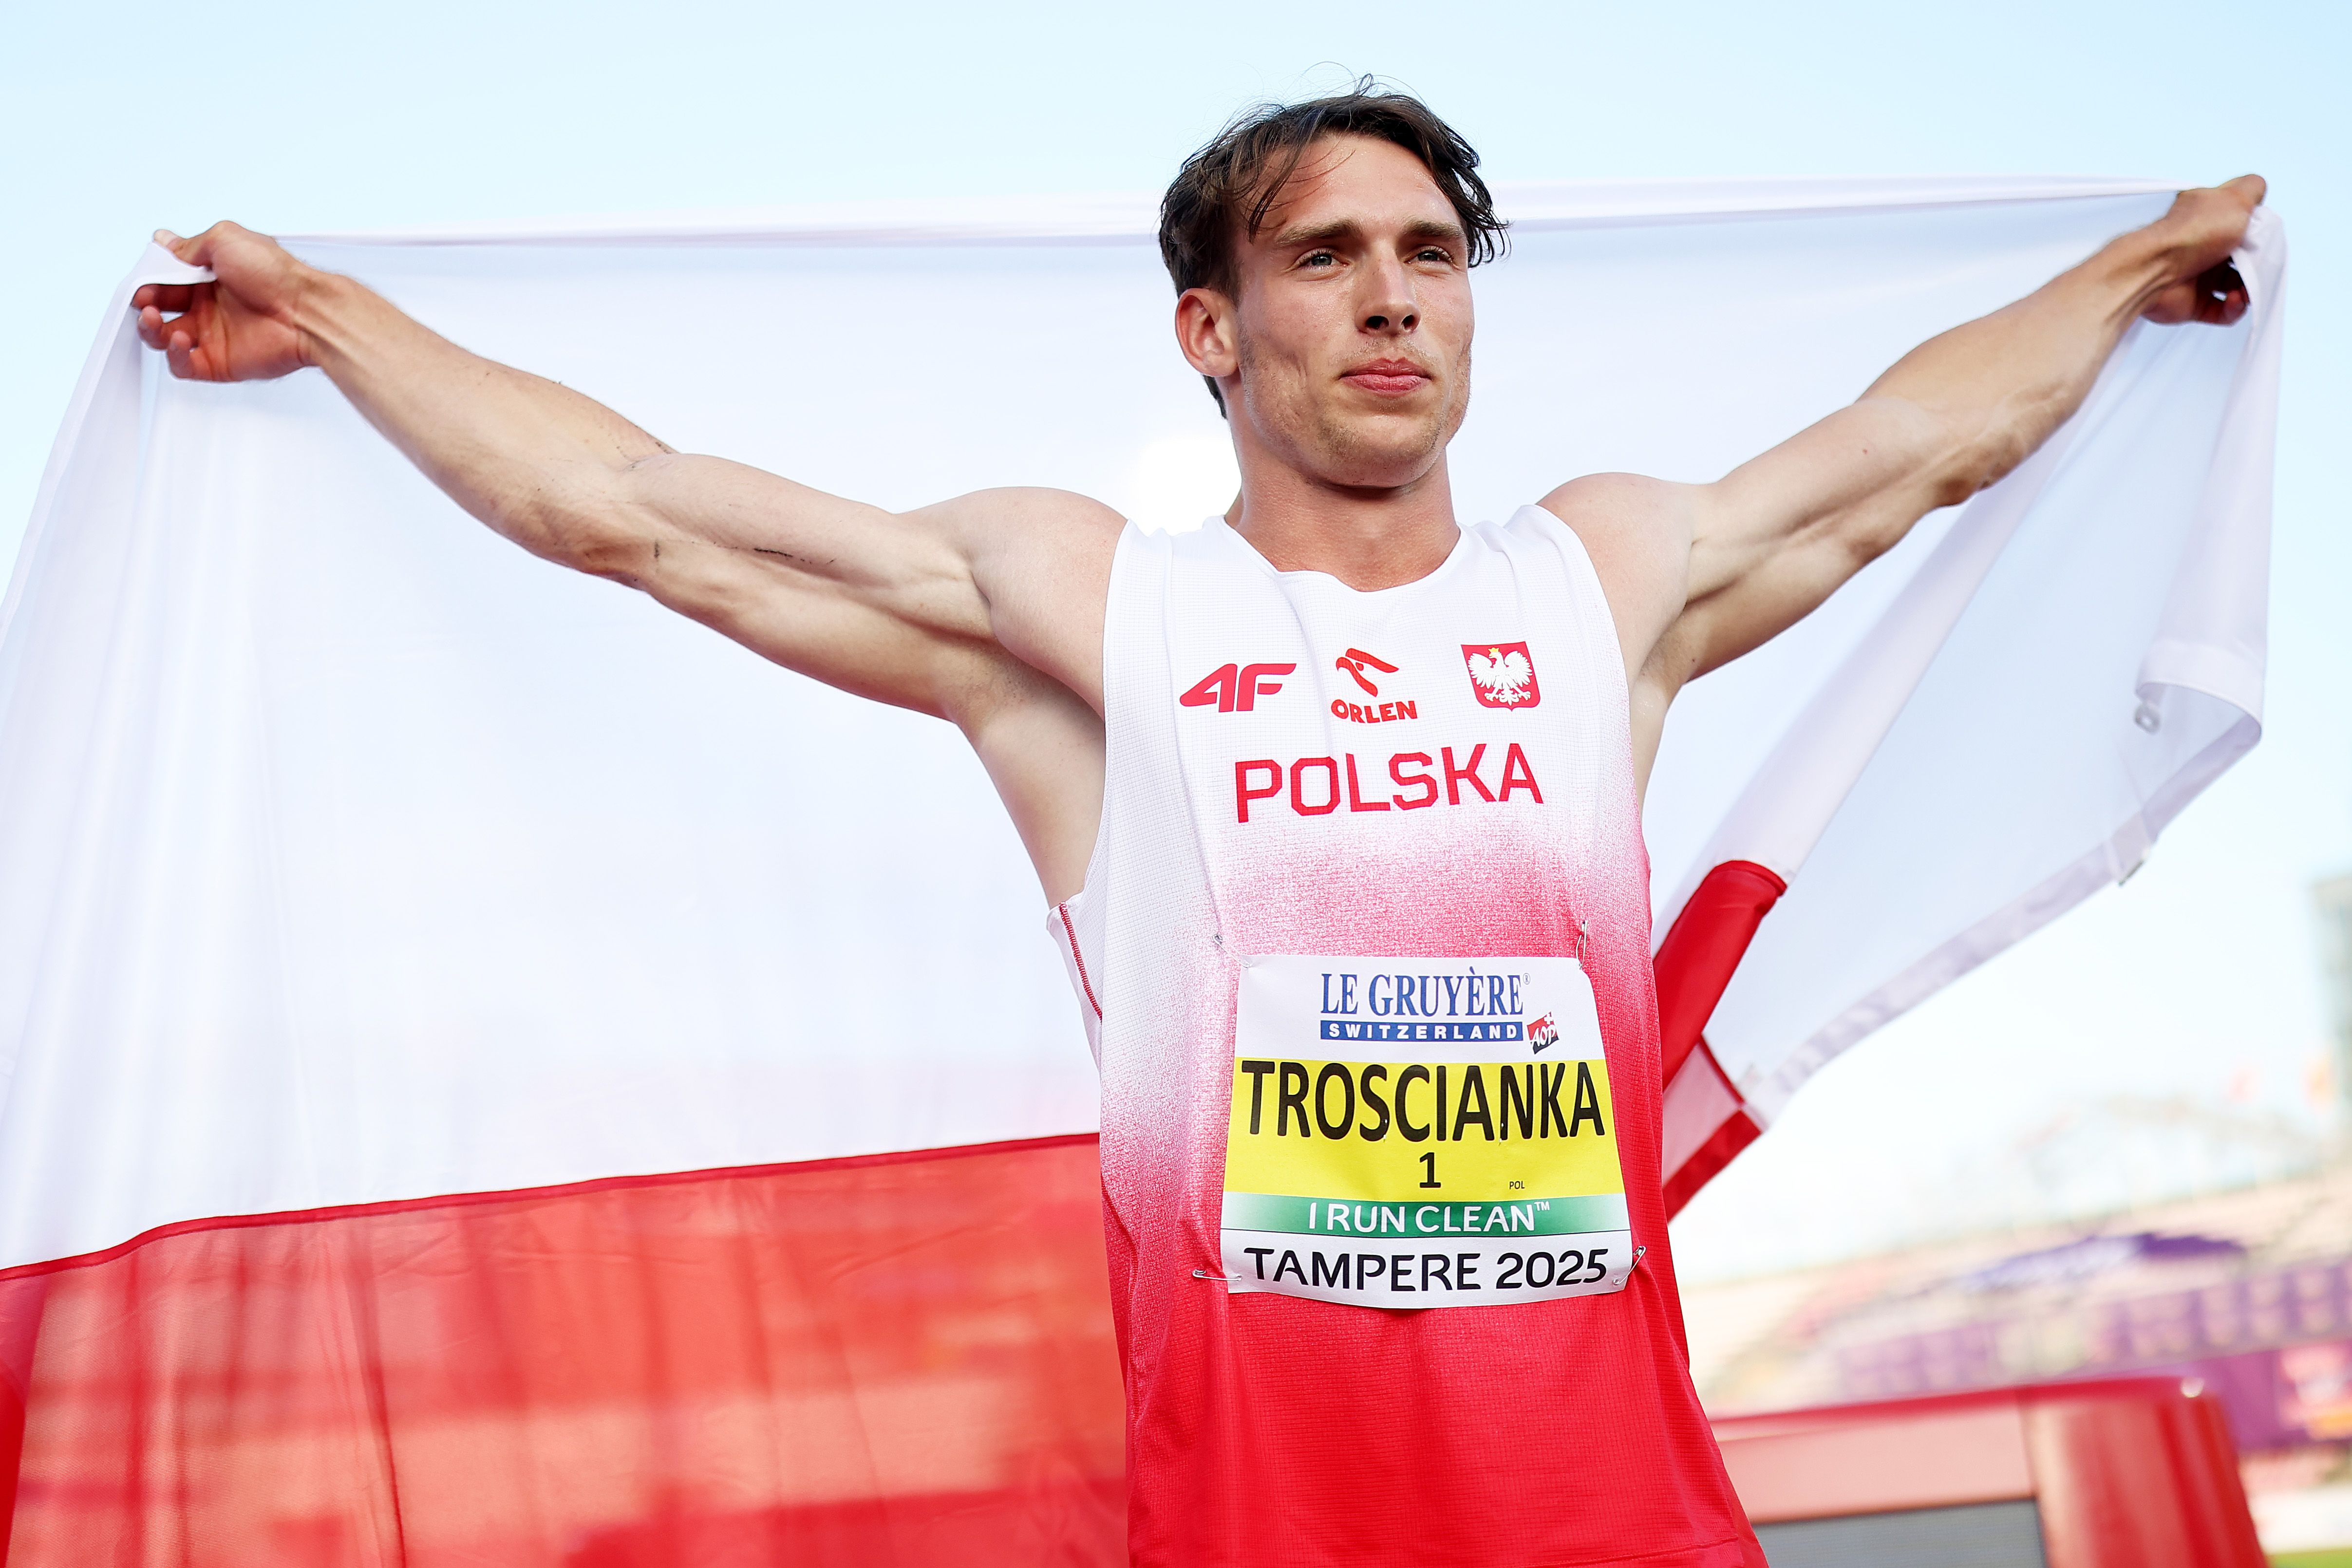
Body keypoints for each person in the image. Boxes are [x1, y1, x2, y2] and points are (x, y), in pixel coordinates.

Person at [136, 87, 2261, 1568]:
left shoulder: (1598, 583)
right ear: (1212, 331)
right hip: (1261, 1530)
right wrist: (327, 316)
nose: (1390, 297)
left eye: (1429, 254)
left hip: (1615, 1520)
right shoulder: (1092, 616)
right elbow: (639, 516)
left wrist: (2129, 269)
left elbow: (1916, 444)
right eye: (1324, 256)